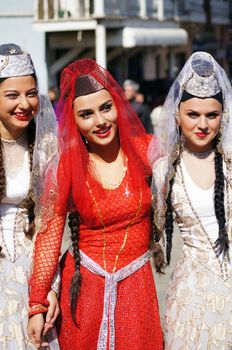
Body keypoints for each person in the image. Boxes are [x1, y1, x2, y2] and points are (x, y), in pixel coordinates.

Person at [28, 58, 163, 349]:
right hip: (84, 294)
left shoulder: (145, 149)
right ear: (74, 120)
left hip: (137, 289)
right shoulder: (67, 165)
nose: (100, 121)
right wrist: (38, 302)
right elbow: (49, 235)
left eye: (105, 108)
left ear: (118, 105)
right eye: (86, 114)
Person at [148, 51, 232, 349]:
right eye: (193, 114)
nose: (203, 124)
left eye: (212, 115)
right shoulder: (163, 170)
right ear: (177, 115)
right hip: (190, 295)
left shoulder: (231, 163)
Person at [0, 43, 60, 349]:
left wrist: (46, 287)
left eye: (31, 93)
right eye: (12, 95)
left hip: (29, 265)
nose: (24, 103)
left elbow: (49, 223)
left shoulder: (46, 144)